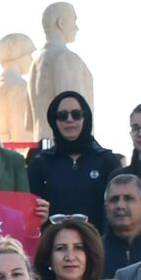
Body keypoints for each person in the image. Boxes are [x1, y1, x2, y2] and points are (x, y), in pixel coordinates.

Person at [26, 91, 123, 222]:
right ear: (54, 121)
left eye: (76, 115)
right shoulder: (40, 165)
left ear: (85, 118)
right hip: (53, 240)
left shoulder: (108, 161)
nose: (69, 120)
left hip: (98, 241)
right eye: (62, 116)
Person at [100, 171, 141, 273]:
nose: (120, 206)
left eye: (128, 199)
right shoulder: (94, 251)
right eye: (114, 200)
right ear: (106, 208)